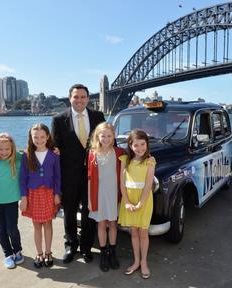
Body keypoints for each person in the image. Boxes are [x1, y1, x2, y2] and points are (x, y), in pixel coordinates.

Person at [51, 83, 106, 263]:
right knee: (69, 212)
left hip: (92, 174)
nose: (79, 100)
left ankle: (86, 247)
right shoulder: (59, 120)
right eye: (76, 97)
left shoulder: (98, 116)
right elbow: (54, 148)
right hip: (69, 175)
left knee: (90, 211)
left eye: (83, 97)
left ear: (88, 99)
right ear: (70, 98)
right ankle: (71, 246)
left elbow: (105, 142)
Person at [20, 123, 61, 268]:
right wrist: (23, 197)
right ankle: (39, 253)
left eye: (42, 136)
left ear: (48, 137)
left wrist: (57, 193)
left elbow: (58, 176)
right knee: (37, 225)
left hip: (49, 193)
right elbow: (22, 178)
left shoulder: (54, 154)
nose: (39, 139)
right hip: (33, 194)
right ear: (31, 138)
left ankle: (48, 252)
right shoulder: (26, 155)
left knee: (48, 224)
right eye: (35, 137)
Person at [118, 129, 156, 279]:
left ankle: (144, 262)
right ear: (130, 145)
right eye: (136, 145)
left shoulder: (150, 161)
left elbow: (148, 185)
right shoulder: (125, 160)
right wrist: (126, 202)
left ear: (147, 144)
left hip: (144, 200)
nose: (140, 148)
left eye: (143, 144)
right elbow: (122, 183)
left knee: (143, 232)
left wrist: (141, 203)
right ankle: (136, 261)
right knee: (133, 231)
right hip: (129, 200)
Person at [87, 122, 125, 272]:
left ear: (114, 136)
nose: (106, 139)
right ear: (98, 136)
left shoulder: (120, 152)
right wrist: (90, 200)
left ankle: (113, 251)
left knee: (113, 224)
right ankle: (103, 252)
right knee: (101, 224)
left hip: (114, 193)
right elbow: (89, 178)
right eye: (103, 136)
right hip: (98, 194)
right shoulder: (93, 153)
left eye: (109, 136)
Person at [0, 133, 24, 269]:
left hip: (12, 200)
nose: (4, 152)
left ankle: (17, 250)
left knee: (12, 228)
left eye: (7, 149)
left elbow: (29, 155)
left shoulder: (17, 160)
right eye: (0, 149)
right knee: (1, 229)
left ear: (12, 148)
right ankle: (8, 254)